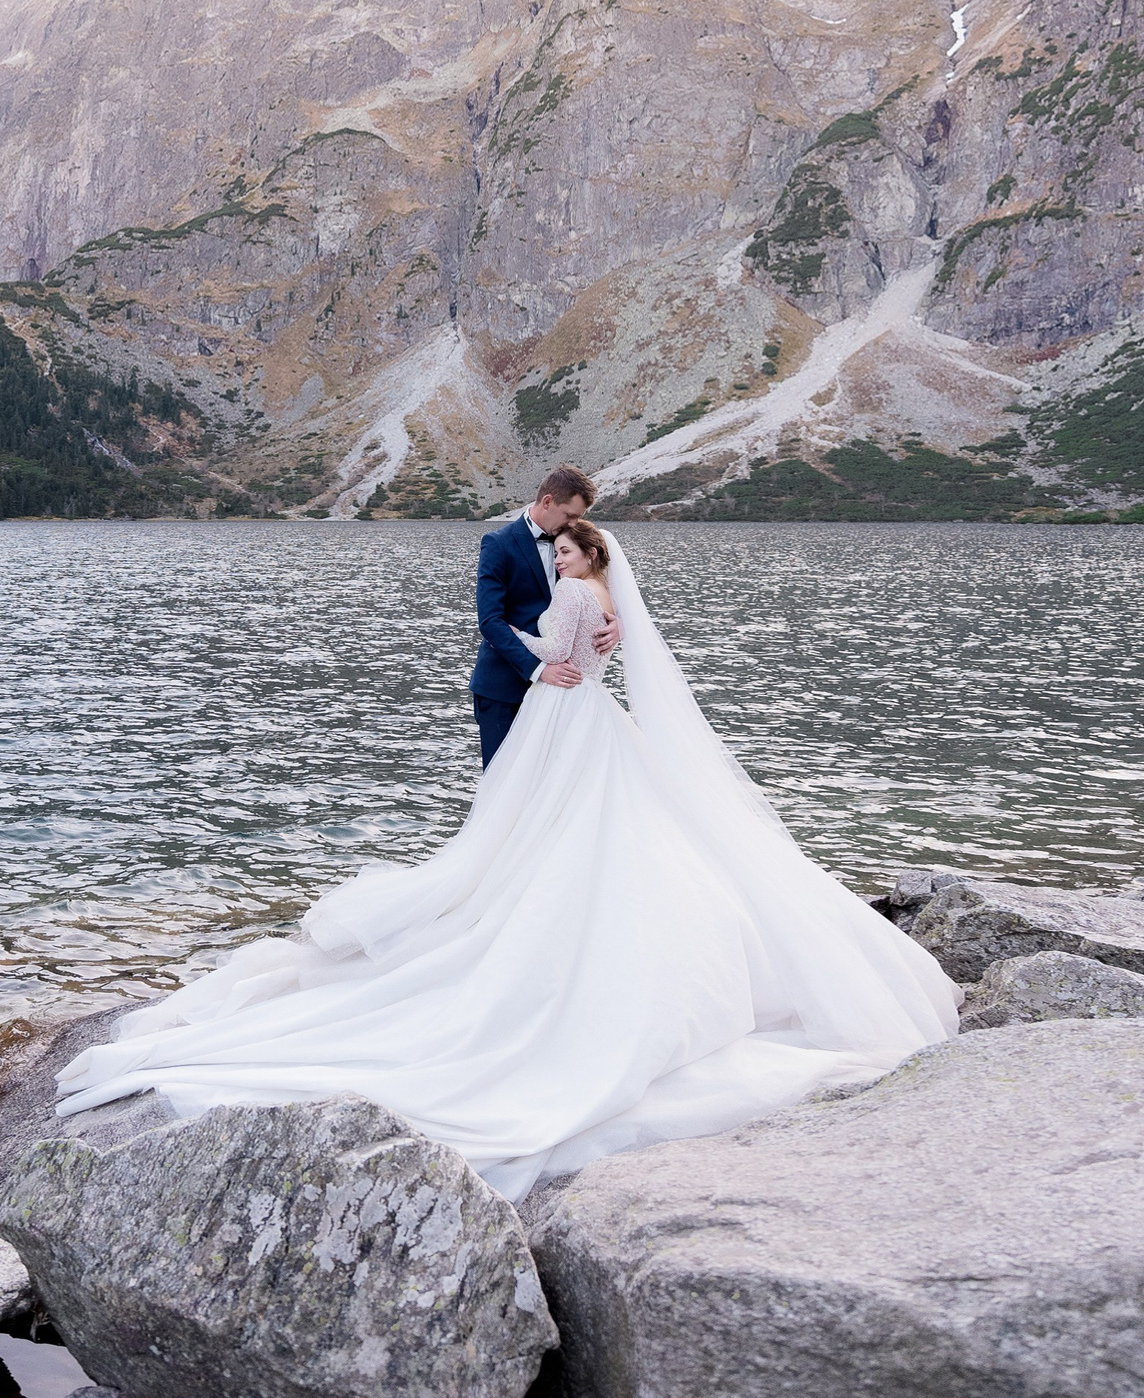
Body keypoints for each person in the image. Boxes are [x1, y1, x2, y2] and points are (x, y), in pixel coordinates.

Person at [54, 504, 957, 1199]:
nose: (555, 556)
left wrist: (543, 652)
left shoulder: (573, 594)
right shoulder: (609, 601)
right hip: (596, 716)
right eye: (555, 548)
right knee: (595, 825)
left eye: (564, 549)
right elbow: (600, 649)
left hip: (563, 711)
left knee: (531, 827)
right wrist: (570, 651)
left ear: (587, 553)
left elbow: (554, 650)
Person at [470, 465, 616, 765]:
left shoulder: (572, 544)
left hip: (560, 698)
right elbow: (491, 622)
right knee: (503, 788)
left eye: (579, 517)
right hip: (505, 689)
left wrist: (618, 624)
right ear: (547, 502)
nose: (575, 523)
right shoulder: (498, 544)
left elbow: (595, 591)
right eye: (570, 516)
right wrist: (539, 669)